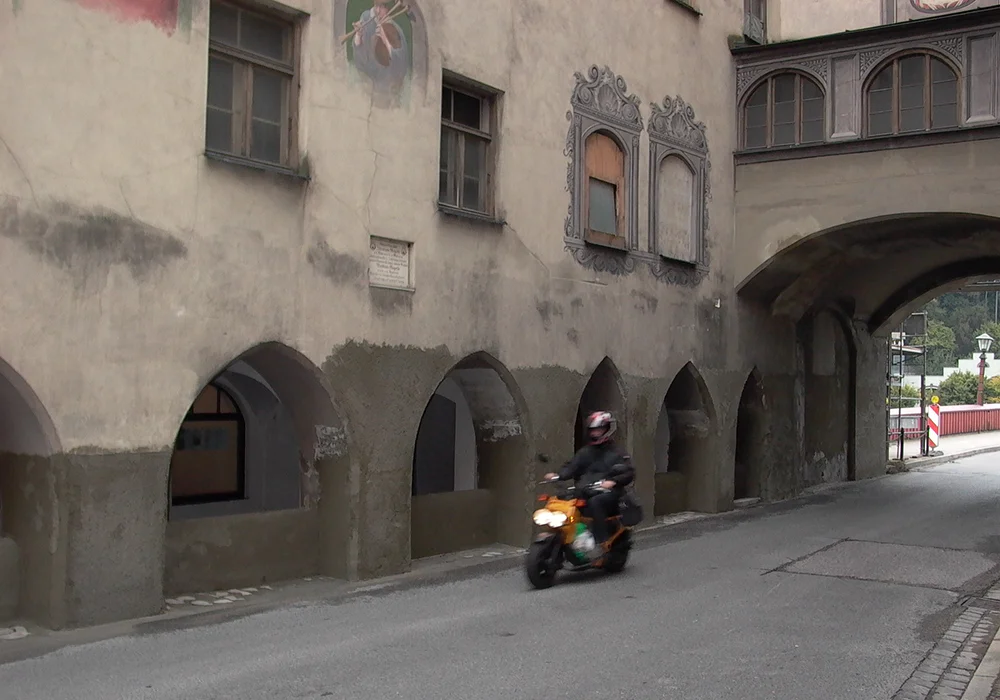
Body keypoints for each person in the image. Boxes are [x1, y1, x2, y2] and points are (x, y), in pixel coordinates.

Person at [544, 410, 635, 558]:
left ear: (607, 429)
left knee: (595, 502)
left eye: (599, 429)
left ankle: (600, 542)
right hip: (586, 490)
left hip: (609, 493)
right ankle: (570, 537)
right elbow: (572, 466)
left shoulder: (617, 452)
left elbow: (628, 471)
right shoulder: (585, 452)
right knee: (562, 500)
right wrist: (558, 475)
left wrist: (613, 481)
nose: (595, 433)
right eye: (593, 430)